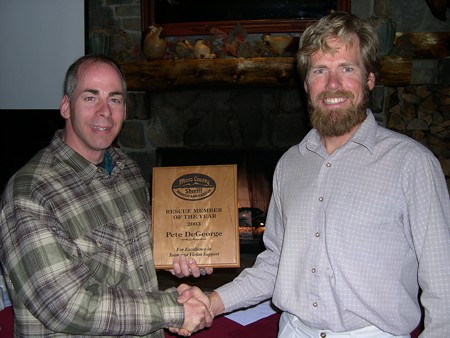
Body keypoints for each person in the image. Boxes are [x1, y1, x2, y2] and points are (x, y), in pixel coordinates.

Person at [178, 11, 450, 338]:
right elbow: (278, 262)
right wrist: (212, 301)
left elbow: (444, 280)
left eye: (346, 69)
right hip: (294, 331)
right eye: (320, 70)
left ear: (369, 79)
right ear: (307, 85)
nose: (332, 84)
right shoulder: (290, 164)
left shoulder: (412, 164)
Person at [0, 54, 213, 337]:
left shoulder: (128, 170)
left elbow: (136, 260)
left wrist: (186, 253)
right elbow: (66, 306)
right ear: (66, 106)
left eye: (114, 99)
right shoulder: (30, 193)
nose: (105, 111)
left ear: (125, 109)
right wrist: (173, 309)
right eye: (90, 97)